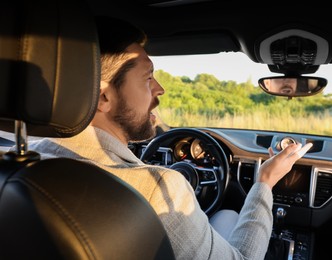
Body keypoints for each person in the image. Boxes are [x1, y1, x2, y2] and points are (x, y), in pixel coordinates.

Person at [14, 16, 312, 259]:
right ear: (103, 96)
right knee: (230, 215)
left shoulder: (19, 163)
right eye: (147, 78)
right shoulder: (157, 188)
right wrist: (265, 182)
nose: (160, 89)